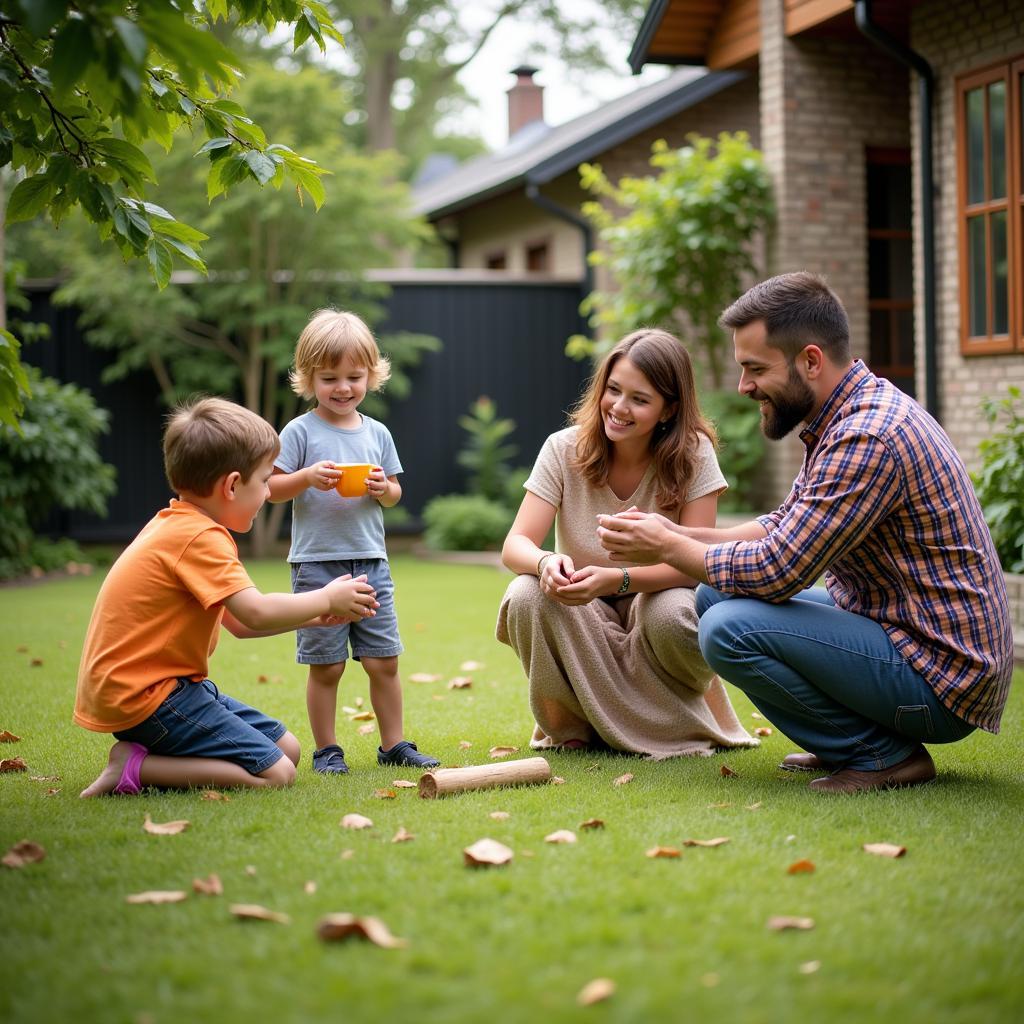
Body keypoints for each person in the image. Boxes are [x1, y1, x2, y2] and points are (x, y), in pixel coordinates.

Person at [597, 272, 1014, 793]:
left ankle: (878, 754)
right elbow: (783, 527)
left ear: (811, 361)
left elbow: (778, 572)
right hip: (902, 636)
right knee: (713, 593)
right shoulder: (846, 415)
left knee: (728, 629)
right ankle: (844, 736)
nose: (745, 386)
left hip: (940, 677)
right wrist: (679, 533)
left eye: (755, 369)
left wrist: (666, 546)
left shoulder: (867, 435)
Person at [77, 397, 379, 798]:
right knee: (277, 774)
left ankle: (148, 754)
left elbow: (237, 623)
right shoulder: (201, 538)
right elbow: (254, 611)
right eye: (266, 480)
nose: (270, 490)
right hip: (148, 698)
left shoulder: (178, 523)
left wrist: (311, 617)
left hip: (170, 688)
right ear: (233, 485)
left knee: (287, 749)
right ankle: (136, 766)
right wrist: (325, 598)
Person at [497, 328, 758, 758]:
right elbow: (516, 544)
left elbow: (698, 563)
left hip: (656, 597)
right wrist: (545, 563)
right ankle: (572, 727)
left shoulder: (694, 454)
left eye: (639, 399)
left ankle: (666, 725)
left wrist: (617, 580)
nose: (618, 408)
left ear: (669, 409)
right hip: (582, 606)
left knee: (674, 611)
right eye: (613, 390)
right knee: (525, 593)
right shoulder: (563, 449)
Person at [268, 309, 439, 774]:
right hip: (317, 564)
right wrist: (306, 477)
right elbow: (271, 487)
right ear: (308, 379)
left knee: (383, 661)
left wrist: (385, 490)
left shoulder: (377, 433)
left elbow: (396, 494)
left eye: (354, 376)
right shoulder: (301, 431)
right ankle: (327, 750)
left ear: (371, 375)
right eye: (330, 378)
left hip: (371, 563)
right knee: (327, 666)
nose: (343, 387)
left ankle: (394, 744)